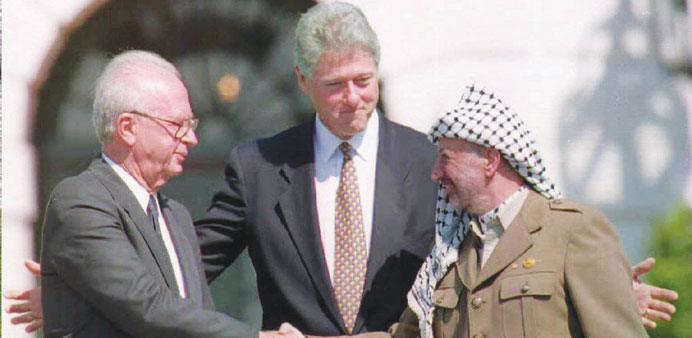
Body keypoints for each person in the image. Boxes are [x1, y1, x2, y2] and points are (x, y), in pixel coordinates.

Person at [5, 2, 678, 336]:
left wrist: (596, 289)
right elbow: (182, 269)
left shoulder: (434, 162)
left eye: (364, 80)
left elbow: (491, 254)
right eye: (336, 85)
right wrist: (75, 295)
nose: (354, 97)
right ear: (302, 81)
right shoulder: (258, 165)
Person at [306, 83, 654, 338]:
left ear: (489, 160)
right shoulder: (447, 255)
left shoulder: (572, 231)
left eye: (446, 158)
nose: (435, 173)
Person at [16, 50, 294, 338]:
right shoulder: (81, 202)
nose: (192, 138)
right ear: (128, 128)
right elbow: (146, 307)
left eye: (192, 124)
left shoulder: (176, 216)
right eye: (178, 125)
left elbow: (194, 318)